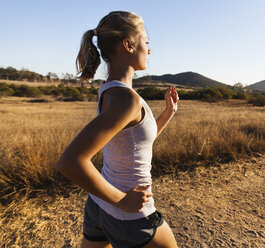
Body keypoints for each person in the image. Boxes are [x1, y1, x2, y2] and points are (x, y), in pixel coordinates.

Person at [56, 11, 179, 248]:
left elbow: (136, 145)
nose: (149, 49)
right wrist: (122, 200)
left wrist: (168, 113)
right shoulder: (126, 100)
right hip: (130, 217)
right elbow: (70, 162)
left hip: (99, 207)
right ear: (128, 45)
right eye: (146, 42)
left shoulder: (110, 91)